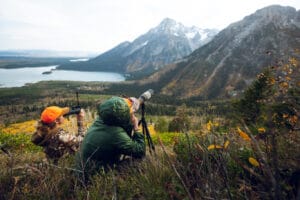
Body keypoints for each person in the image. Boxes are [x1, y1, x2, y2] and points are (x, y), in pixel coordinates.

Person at [75, 96, 145, 181]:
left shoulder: (101, 120)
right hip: (93, 178)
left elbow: (115, 111)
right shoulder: (116, 134)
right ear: (122, 116)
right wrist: (136, 128)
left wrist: (129, 103)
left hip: (81, 172)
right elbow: (140, 150)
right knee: (142, 161)